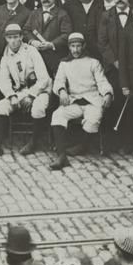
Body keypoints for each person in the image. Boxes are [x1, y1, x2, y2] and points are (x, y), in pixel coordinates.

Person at [0, 23, 51, 159]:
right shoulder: (6, 56)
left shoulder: (31, 51)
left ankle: (34, 142)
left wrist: (32, 95)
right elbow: (3, 80)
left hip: (40, 89)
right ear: (6, 39)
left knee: (38, 108)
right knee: (1, 106)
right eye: (10, 38)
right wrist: (11, 96)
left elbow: (44, 78)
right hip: (20, 91)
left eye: (16, 37)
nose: (13, 41)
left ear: (21, 37)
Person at [49, 32, 113, 170]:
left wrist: (107, 93)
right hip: (74, 101)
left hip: (92, 101)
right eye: (73, 46)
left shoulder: (93, 62)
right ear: (69, 47)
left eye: (78, 46)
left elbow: (102, 81)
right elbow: (58, 81)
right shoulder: (64, 64)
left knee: (93, 121)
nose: (76, 50)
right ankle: (61, 156)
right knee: (58, 115)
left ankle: (83, 145)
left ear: (83, 46)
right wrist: (62, 91)